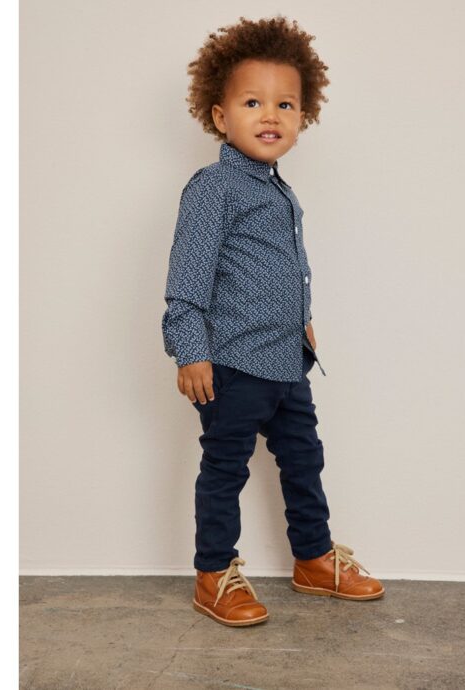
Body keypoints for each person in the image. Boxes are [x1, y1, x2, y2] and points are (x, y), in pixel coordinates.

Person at [161, 15, 385, 627]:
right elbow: (188, 278)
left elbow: (284, 268)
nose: (271, 115)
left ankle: (313, 558)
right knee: (224, 469)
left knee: (305, 459)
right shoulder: (213, 188)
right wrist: (190, 350)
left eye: (285, 104)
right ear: (219, 116)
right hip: (232, 365)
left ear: (303, 116)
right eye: (252, 102)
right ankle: (214, 573)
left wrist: (303, 321)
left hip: (288, 362)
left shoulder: (281, 191)